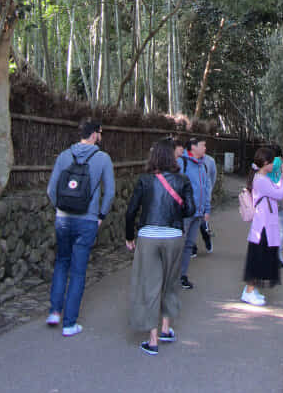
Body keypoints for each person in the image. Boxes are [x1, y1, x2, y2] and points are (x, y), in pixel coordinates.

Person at [125, 138, 195, 355]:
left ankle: (152, 339)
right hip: (173, 236)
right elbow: (191, 209)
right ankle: (166, 328)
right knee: (171, 282)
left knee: (150, 285)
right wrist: (175, 214)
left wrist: (129, 236)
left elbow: (131, 211)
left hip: (148, 236)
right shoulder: (182, 180)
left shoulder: (145, 180)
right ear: (172, 156)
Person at [46, 120, 115, 336]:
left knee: (61, 263)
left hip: (63, 218)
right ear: (94, 135)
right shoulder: (103, 159)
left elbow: (50, 190)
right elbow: (110, 192)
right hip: (87, 220)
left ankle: (54, 312)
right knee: (78, 271)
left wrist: (61, 208)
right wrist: (100, 215)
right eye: (100, 133)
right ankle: (69, 323)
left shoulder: (64, 156)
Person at [241, 147, 283, 306]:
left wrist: (282, 181)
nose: (274, 164)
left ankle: (251, 290)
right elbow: (279, 194)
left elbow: (276, 191)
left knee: (259, 257)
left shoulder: (262, 178)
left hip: (264, 224)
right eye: (272, 161)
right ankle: (249, 291)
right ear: (266, 163)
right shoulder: (261, 180)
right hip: (262, 226)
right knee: (258, 258)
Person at [178, 137, 211, 289]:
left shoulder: (203, 166)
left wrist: (206, 209)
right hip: (184, 213)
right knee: (178, 245)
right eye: (203, 145)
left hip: (198, 214)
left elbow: (206, 189)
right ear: (193, 147)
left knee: (189, 245)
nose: (205, 148)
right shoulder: (182, 163)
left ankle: (182, 276)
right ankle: (171, 276)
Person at [193, 150, 216, 256]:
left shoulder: (210, 160)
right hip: (191, 197)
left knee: (202, 223)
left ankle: (207, 239)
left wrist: (208, 190)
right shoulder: (187, 160)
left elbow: (212, 177)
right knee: (190, 223)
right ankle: (192, 248)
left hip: (204, 196)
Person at [268, 145, 283, 267]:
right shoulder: (280, 162)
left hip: (269, 195)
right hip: (279, 196)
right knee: (281, 227)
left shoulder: (267, 163)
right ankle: (277, 253)